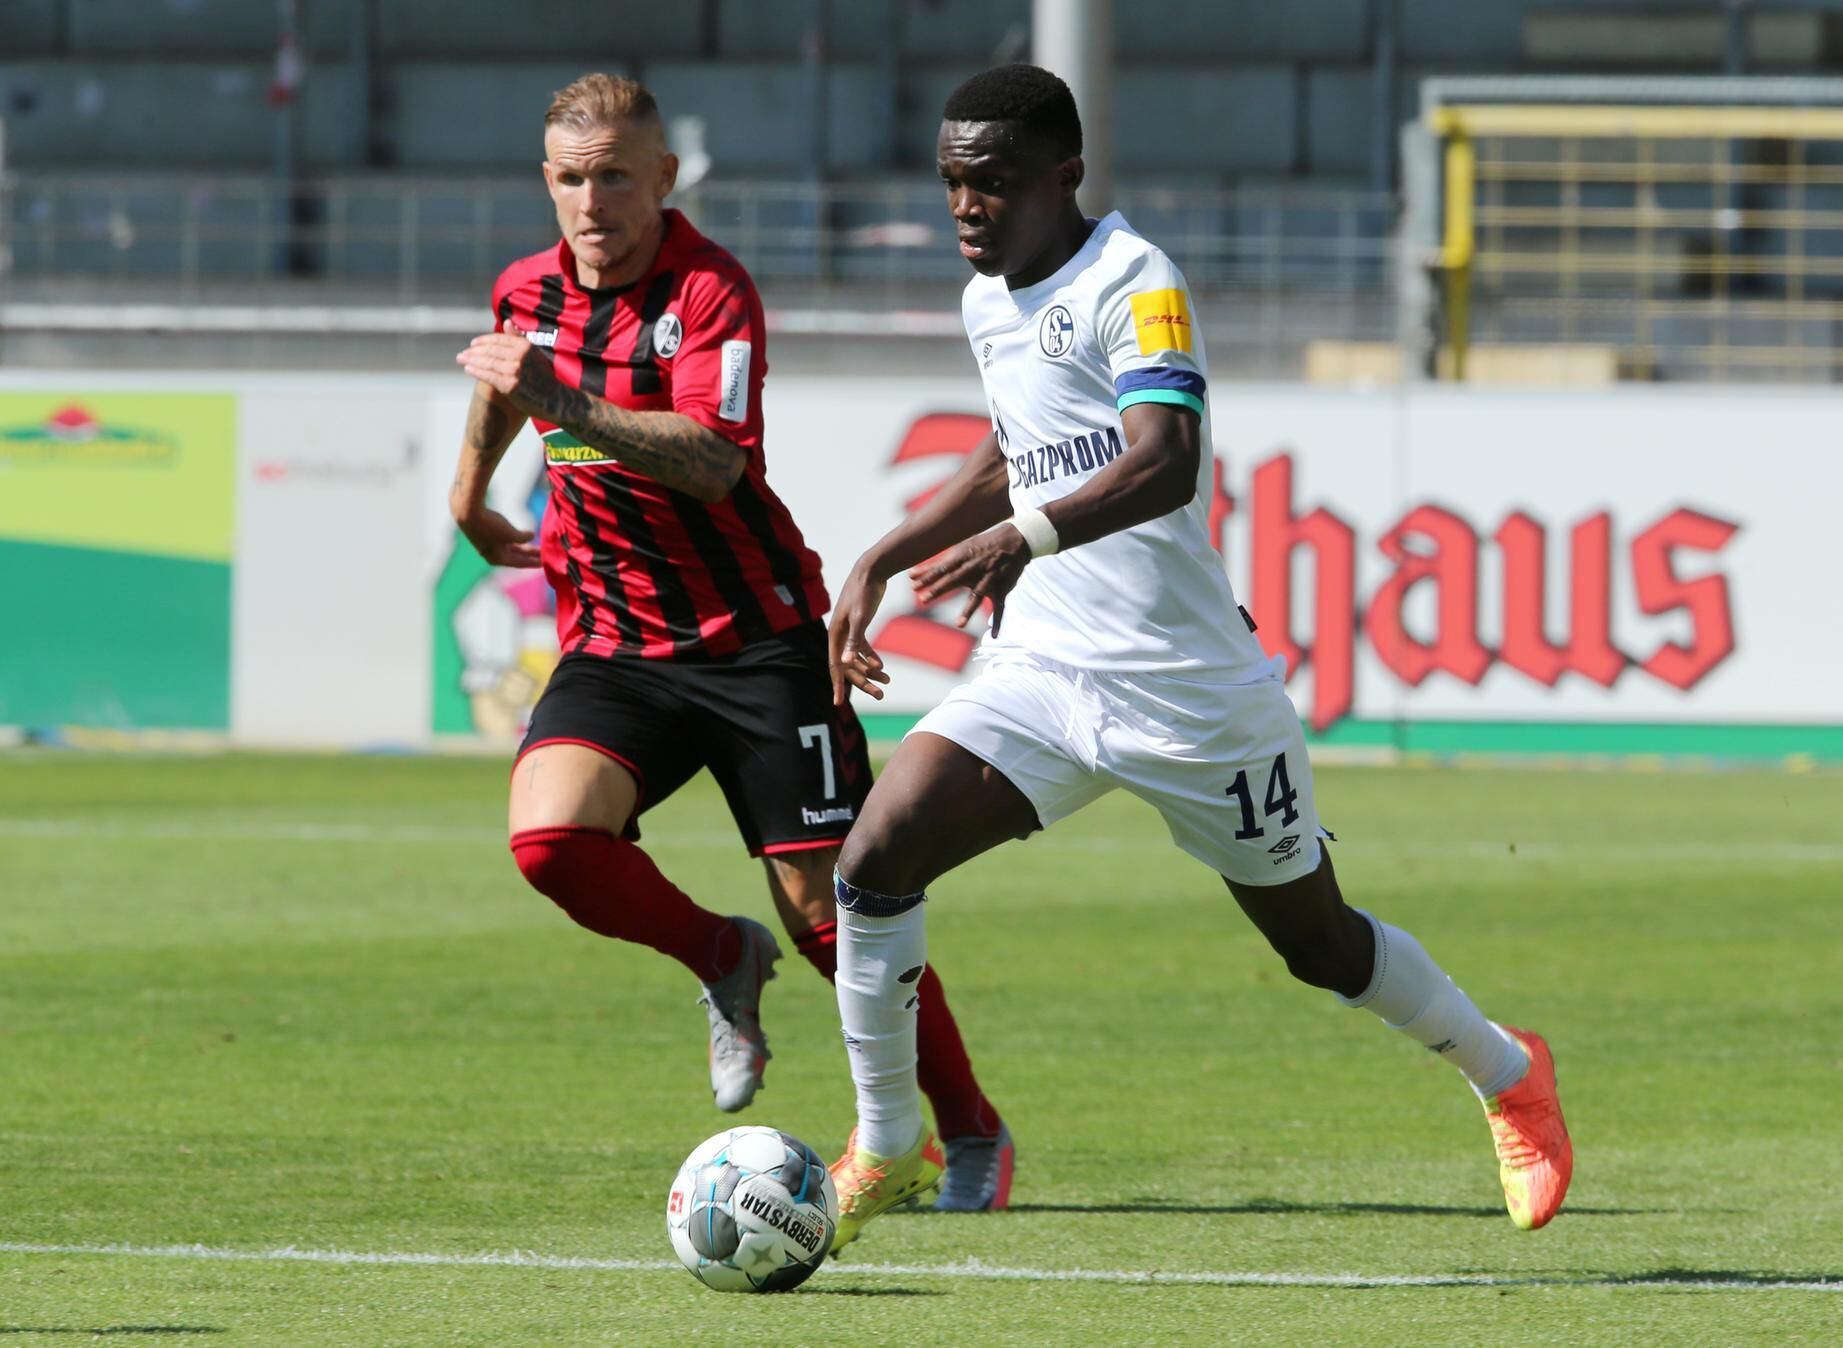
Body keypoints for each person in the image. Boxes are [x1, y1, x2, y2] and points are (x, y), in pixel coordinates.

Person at [820, 64, 1572, 1252]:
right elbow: (1016, 448)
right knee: (874, 853)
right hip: (1047, 672)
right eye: (953, 182)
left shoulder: (1135, 279)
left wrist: (1021, 535)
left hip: (1190, 696)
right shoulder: (986, 298)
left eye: (994, 183)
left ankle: (1506, 1068)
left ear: (1063, 176)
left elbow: (1164, 455)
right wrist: (883, 553)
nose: (966, 206)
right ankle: (887, 1135)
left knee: (1320, 947)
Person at [451, 73, 1012, 1210]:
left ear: (663, 176)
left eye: (616, 174)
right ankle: (718, 953)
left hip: (757, 641)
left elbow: (714, 460)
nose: (592, 199)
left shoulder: (710, 292)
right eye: (570, 177)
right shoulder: (526, 288)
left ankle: (972, 1133)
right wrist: (470, 495)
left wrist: (563, 402)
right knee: (549, 842)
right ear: (546, 183)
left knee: (835, 916)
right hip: (615, 642)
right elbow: (508, 367)